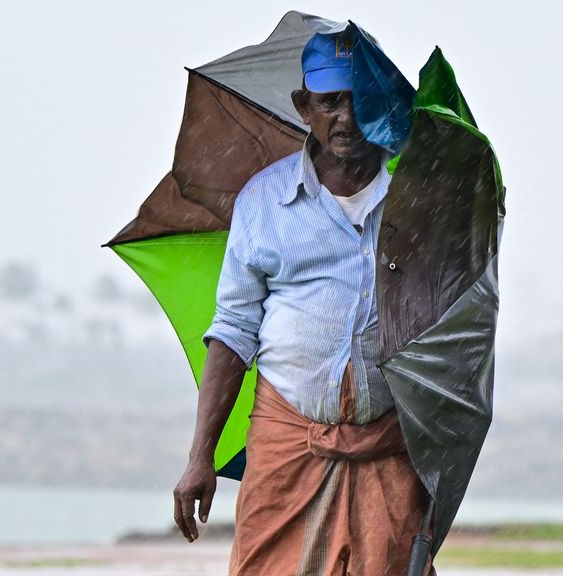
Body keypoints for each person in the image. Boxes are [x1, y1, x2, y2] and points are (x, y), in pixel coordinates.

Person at [173, 29, 433, 576]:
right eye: (330, 101)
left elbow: (457, 319)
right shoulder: (264, 201)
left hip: (390, 442)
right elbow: (234, 329)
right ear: (303, 106)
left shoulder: (418, 197)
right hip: (287, 443)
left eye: (360, 98)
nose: (346, 116)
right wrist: (201, 456)